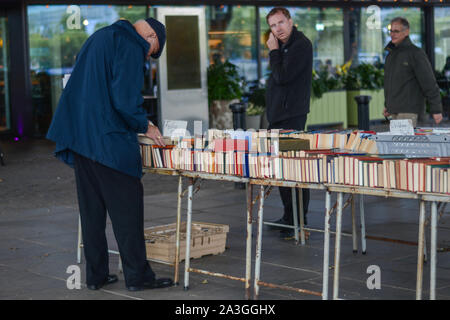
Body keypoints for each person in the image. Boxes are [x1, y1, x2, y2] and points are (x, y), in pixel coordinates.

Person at [46, 18, 173, 292]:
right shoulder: (129, 44)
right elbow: (125, 100)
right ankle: (139, 277)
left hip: (82, 140)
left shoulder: (99, 37)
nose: (148, 55)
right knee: (127, 213)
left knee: (92, 214)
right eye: (152, 50)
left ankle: (96, 275)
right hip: (109, 143)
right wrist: (146, 125)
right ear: (150, 35)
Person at [265, 7, 313, 238]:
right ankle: (289, 217)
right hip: (278, 115)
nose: (278, 28)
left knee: (294, 167)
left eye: (281, 22)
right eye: (273, 25)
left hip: (292, 115)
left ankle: (299, 221)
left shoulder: (300, 45)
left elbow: (282, 77)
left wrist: (273, 51)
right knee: (281, 168)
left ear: (291, 21)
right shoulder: (284, 46)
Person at [383, 17, 443, 127]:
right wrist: (388, 105)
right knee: (396, 144)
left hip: (409, 111)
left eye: (396, 31)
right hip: (394, 111)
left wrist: (436, 109)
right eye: (391, 31)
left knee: (406, 144)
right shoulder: (391, 55)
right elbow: (389, 83)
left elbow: (428, 82)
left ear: (406, 32)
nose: (392, 34)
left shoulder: (415, 53)